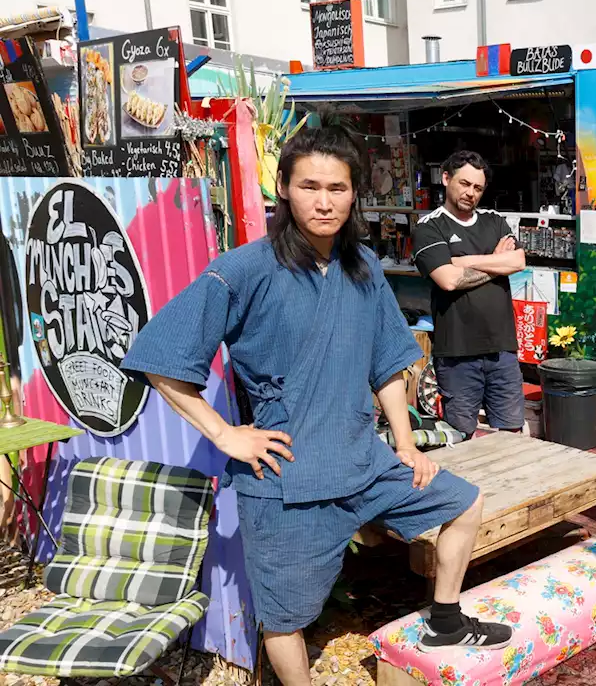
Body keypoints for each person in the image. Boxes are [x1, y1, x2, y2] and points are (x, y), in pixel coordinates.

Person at [121, 128, 512, 686]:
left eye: (337, 187)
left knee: (464, 503)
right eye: (309, 186)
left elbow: (386, 364)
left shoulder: (364, 268)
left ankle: (445, 620)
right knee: (285, 619)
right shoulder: (244, 269)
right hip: (284, 477)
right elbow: (162, 356)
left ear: (355, 194)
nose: (323, 201)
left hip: (362, 461)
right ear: (283, 187)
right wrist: (227, 436)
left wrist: (404, 445)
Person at [411, 151, 527, 439]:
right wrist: (494, 263)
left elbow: (518, 262)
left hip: (502, 349)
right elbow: (448, 280)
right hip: (457, 353)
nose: (470, 193)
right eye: (464, 184)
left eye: (477, 188)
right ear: (446, 178)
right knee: (462, 436)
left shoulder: (494, 220)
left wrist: (462, 261)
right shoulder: (429, 227)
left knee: (512, 432)